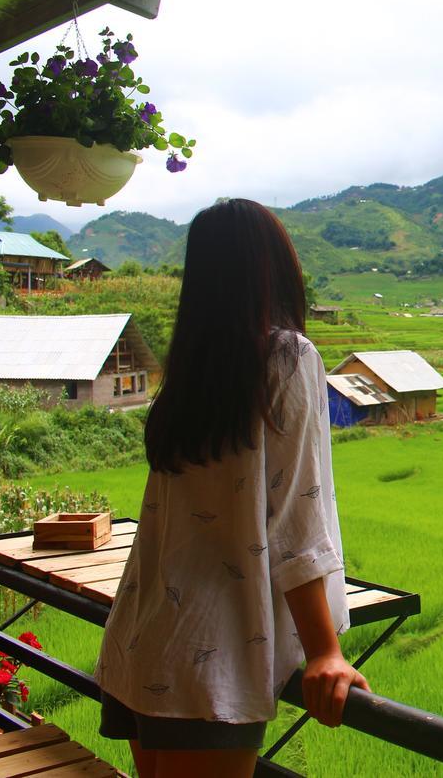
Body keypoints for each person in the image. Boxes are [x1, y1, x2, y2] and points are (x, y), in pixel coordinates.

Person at [95, 199, 368, 777]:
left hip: (143, 643)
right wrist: (325, 650)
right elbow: (297, 514)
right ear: (274, 267)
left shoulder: (190, 376)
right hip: (208, 665)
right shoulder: (287, 357)